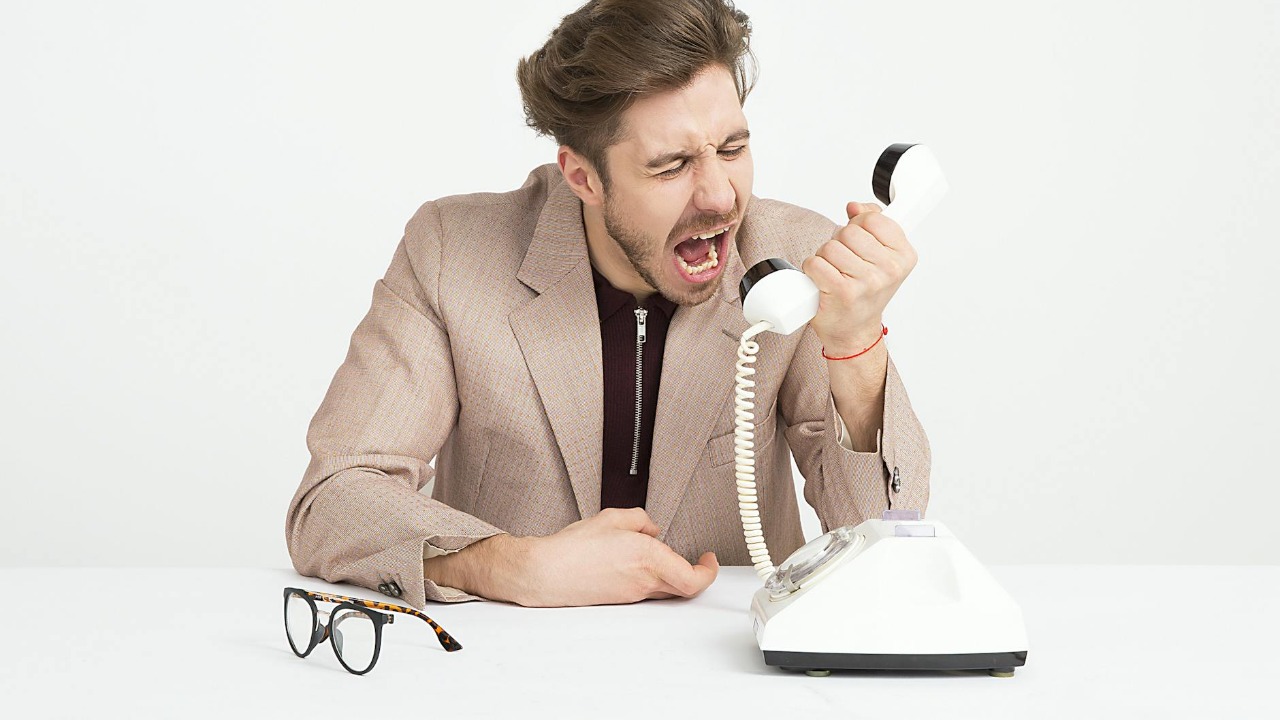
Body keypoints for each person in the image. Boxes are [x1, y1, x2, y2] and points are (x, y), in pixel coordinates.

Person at [285, 0, 930, 610]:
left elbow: (888, 540)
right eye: (671, 165)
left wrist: (854, 345)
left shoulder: (791, 257)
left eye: (732, 149)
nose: (720, 196)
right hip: (506, 668)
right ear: (583, 177)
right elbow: (332, 502)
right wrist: (514, 566)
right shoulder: (453, 252)